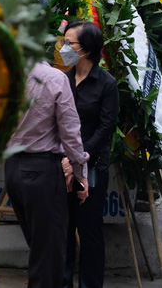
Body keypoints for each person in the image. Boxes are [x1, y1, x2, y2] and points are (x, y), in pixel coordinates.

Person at [5, 59, 90, 288]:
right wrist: (81, 173)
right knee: (48, 256)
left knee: (40, 249)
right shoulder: (55, 78)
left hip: (13, 169)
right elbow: (71, 132)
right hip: (42, 170)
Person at [63, 21, 120, 288]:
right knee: (62, 229)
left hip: (91, 166)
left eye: (69, 44)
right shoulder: (62, 79)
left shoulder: (106, 84)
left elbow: (105, 128)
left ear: (86, 49)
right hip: (61, 166)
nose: (63, 48)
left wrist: (78, 158)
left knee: (89, 231)